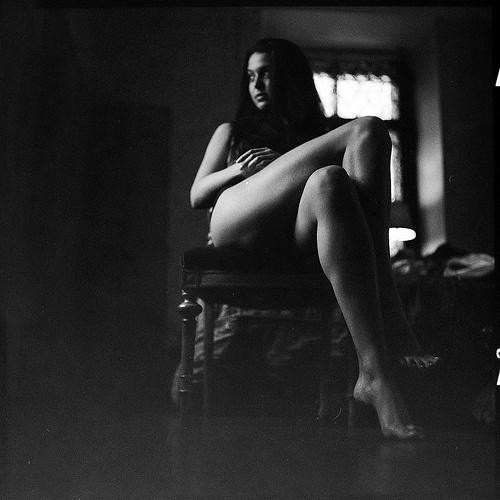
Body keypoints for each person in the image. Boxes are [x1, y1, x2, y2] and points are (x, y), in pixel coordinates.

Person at [190, 38, 440, 440]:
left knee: (329, 182)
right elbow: (197, 195)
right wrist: (242, 169)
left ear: (290, 77)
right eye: (251, 76)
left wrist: (291, 166)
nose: (256, 85)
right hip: (237, 220)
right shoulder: (232, 131)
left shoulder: (316, 135)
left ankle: (374, 375)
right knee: (367, 129)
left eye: (267, 74)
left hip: (293, 233)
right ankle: (390, 308)